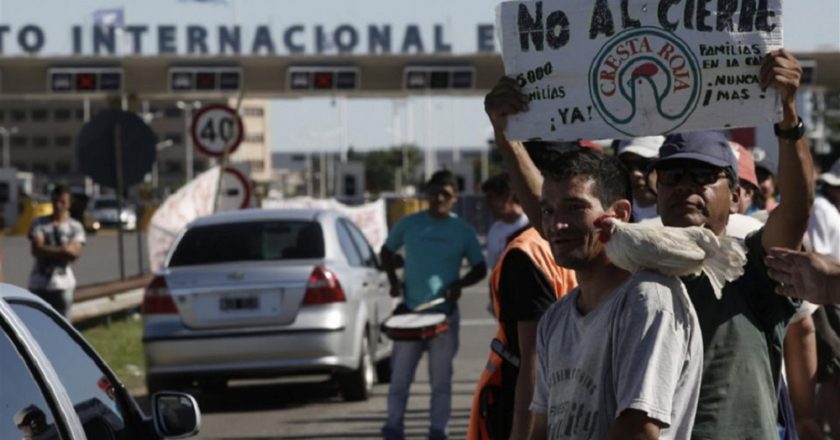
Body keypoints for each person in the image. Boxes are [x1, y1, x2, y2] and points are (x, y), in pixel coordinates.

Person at [485, 47, 813, 438]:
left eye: (703, 176)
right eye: (671, 177)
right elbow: (559, 217)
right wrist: (508, 138)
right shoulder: (637, 251)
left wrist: (788, 115)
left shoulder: (748, 257)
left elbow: (795, 209)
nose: (686, 187)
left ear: (736, 190)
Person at [486, 89, 704, 437]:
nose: (557, 225)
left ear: (618, 214)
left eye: (575, 208)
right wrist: (505, 132)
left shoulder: (648, 301)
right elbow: (541, 427)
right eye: (548, 211)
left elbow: (638, 429)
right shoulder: (555, 320)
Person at [380, 170, 487, 440]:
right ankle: (393, 429)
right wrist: (394, 281)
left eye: (445, 194)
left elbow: (480, 267)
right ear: (426, 194)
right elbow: (386, 251)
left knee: (440, 383)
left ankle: (438, 432)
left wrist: (458, 286)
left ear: (455, 197)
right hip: (410, 313)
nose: (438, 198)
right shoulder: (409, 223)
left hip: (443, 316)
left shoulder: (462, 230)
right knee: (399, 380)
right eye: (433, 193)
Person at [467, 223, 576, 440]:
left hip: (542, 399)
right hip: (563, 397)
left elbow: (534, 361)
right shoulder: (589, 243)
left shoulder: (529, 252)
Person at [28, 185, 86, 318]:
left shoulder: (75, 226)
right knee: (35, 323)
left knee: (63, 323)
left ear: (69, 204)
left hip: (63, 284)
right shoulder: (39, 223)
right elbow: (36, 249)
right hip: (39, 283)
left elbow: (74, 254)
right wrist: (63, 250)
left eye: (62, 202)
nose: (58, 205)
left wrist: (47, 248)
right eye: (55, 201)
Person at [482, 173, 529, 271]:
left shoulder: (531, 225)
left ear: (507, 196)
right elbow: (494, 269)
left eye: (490, 197)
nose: (487, 204)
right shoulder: (494, 230)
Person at [615, 136, 664, 222]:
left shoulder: (680, 215)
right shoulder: (615, 215)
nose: (635, 174)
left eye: (644, 165)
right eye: (626, 165)